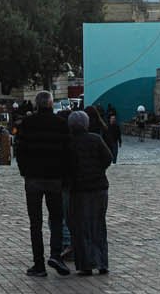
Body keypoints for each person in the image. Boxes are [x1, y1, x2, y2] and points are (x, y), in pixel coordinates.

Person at [13, 91, 71, 277]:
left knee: (35, 223)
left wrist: (25, 171)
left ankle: (38, 264)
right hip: (55, 178)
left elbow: (19, 150)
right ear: (51, 105)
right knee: (56, 219)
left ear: (36, 105)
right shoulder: (61, 124)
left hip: (33, 179)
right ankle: (56, 255)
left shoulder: (27, 124)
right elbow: (68, 151)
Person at [66, 110, 112, 276]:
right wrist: (98, 170)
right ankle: (102, 262)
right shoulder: (95, 139)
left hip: (80, 189)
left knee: (81, 226)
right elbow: (108, 157)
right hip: (99, 187)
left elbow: (67, 167)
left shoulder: (69, 143)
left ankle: (86, 264)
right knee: (99, 224)